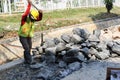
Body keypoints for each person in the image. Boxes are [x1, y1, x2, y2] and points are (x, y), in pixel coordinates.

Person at [18, 0, 43, 64]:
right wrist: (29, 5)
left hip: (29, 36)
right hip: (22, 36)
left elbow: (39, 18)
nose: (34, 19)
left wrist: (40, 13)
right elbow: (26, 13)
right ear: (30, 15)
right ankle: (29, 61)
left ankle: (26, 60)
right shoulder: (24, 19)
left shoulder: (33, 20)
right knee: (26, 48)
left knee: (29, 48)